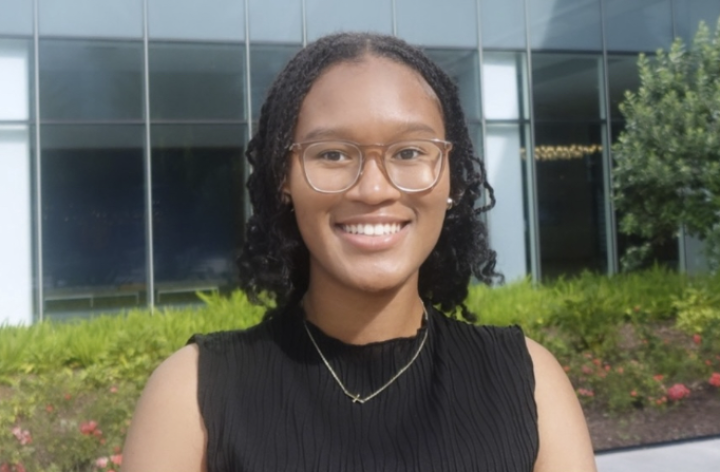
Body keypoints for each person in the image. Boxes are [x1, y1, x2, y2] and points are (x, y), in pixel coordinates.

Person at [122, 32, 597, 472]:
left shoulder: (528, 381)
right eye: (332, 154)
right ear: (283, 179)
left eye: (410, 153)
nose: (373, 189)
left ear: (451, 176)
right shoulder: (193, 396)